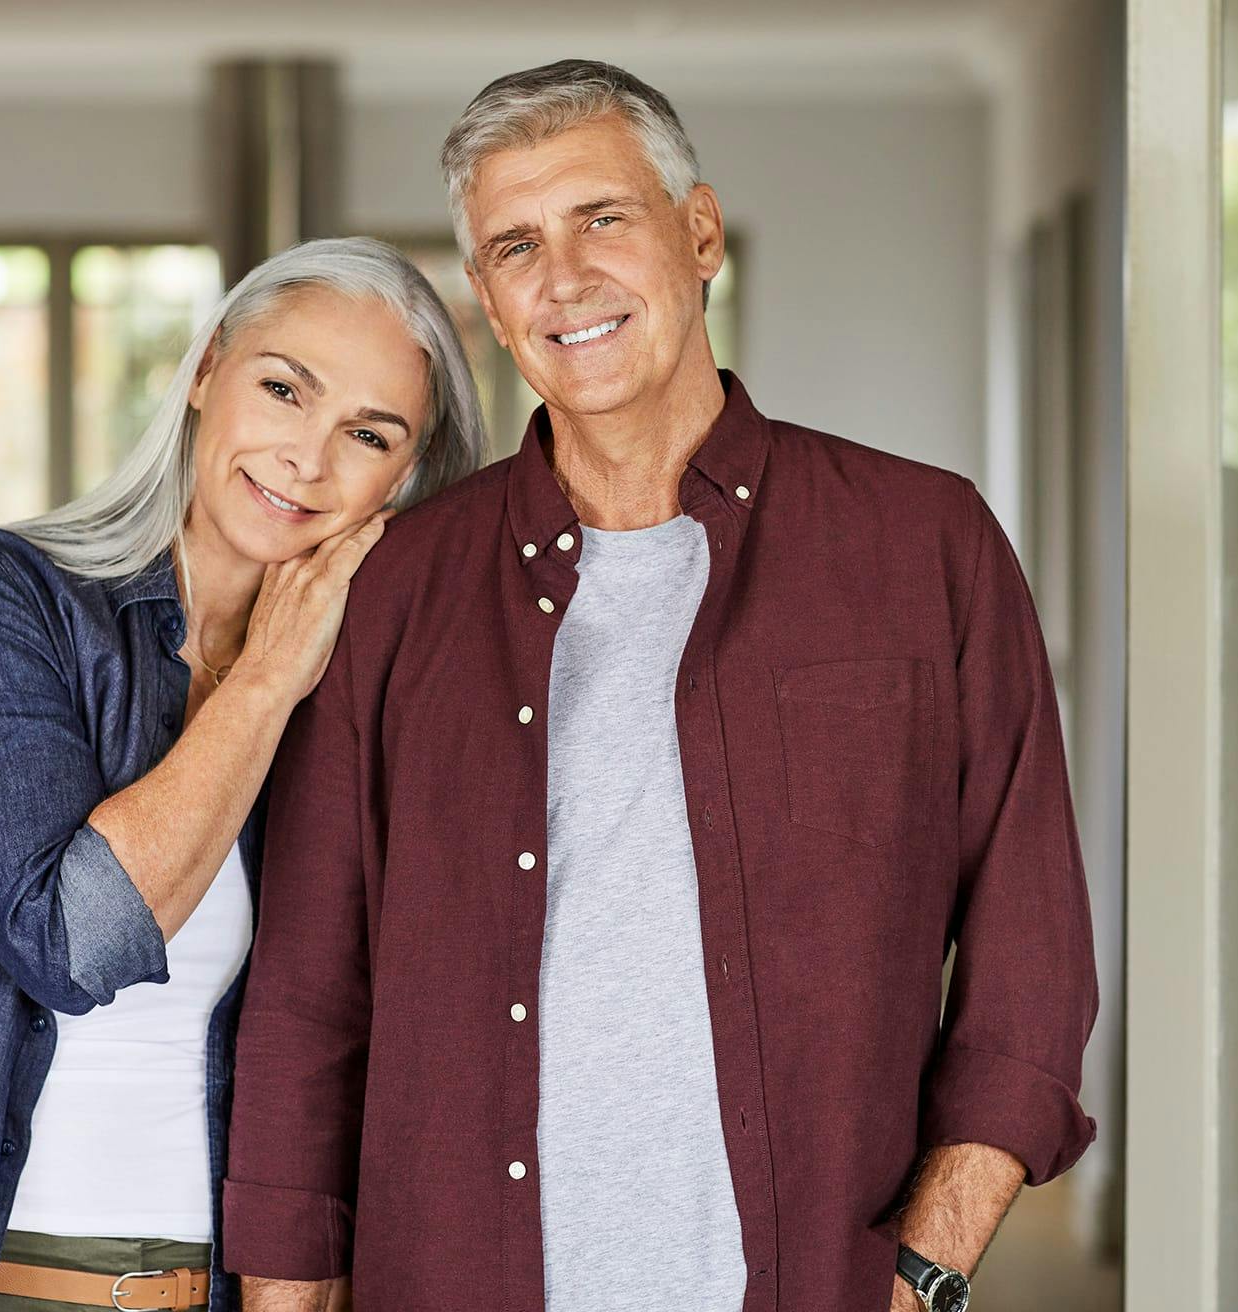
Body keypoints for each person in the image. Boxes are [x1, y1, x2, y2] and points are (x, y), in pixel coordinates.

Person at [223, 63, 1098, 1312]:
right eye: (517, 244)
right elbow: (310, 994)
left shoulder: (926, 545)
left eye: (602, 220)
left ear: (699, 235)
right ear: (487, 296)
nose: (564, 278)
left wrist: (926, 1265)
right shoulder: (395, 586)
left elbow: (1035, 951)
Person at [0, 237, 485, 1312]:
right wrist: (265, 678)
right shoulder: (1, 600)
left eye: (367, 434)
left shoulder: (362, 701)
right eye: (283, 389)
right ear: (208, 369)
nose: (307, 459)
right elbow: (72, 939)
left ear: (401, 480)